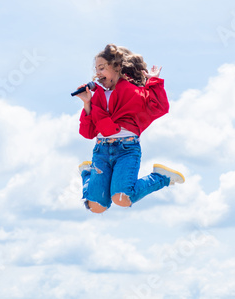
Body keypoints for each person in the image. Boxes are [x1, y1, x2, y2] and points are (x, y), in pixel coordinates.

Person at [75, 44, 184, 214]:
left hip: (126, 150)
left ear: (117, 67)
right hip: (101, 151)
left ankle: (161, 177)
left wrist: (153, 81)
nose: (97, 73)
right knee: (96, 207)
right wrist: (87, 103)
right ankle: (88, 174)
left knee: (122, 199)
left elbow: (159, 106)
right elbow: (88, 133)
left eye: (102, 68)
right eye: (96, 69)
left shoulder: (132, 91)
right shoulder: (96, 96)